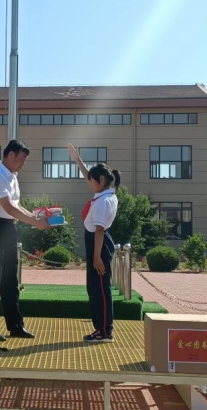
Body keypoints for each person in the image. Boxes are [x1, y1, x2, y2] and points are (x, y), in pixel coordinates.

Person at [0, 139, 50, 342]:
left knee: (10, 279)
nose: (23, 163)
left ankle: (16, 326)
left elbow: (16, 206)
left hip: (8, 228)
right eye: (22, 159)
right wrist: (35, 223)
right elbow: (8, 207)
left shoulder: (12, 177)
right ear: (10, 155)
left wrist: (36, 217)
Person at [68, 143, 120, 343]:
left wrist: (97, 257)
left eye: (92, 181)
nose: (89, 183)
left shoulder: (104, 201)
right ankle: (100, 328)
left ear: (103, 180)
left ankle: (105, 331)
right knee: (94, 288)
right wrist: (77, 159)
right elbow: (88, 175)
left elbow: (99, 230)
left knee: (101, 289)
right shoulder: (103, 194)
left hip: (99, 244)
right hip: (96, 243)